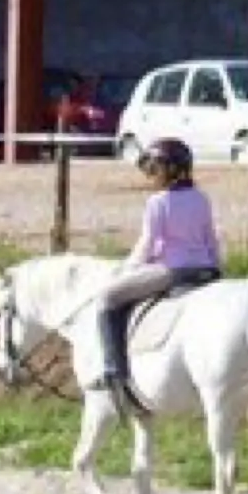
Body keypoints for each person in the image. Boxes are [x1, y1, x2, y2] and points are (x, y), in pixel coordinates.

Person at [88, 138, 224, 406]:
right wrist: (218, 269)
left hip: (174, 271)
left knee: (107, 299)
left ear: (169, 170)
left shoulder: (158, 202)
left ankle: (114, 369)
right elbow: (211, 238)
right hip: (206, 269)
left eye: (155, 169)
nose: (151, 175)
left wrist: (125, 269)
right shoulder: (201, 198)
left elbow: (147, 244)